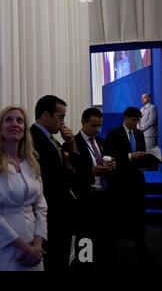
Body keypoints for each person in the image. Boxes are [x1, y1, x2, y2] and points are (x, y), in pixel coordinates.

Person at [0, 106, 47, 271]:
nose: (15, 124)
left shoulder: (31, 164)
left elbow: (41, 207)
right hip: (4, 245)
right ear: (0, 127)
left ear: (25, 128)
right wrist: (26, 248)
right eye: (8, 120)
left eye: (20, 121)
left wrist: (37, 245)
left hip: (34, 243)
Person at [30, 95, 79, 271]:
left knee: (61, 258)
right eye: (60, 117)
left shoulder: (52, 139)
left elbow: (74, 167)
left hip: (60, 212)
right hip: (50, 212)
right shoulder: (32, 139)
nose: (63, 122)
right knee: (54, 261)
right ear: (45, 114)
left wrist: (71, 144)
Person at [105, 107, 157, 260]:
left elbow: (140, 156)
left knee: (140, 215)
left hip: (137, 180)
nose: (136, 123)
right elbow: (109, 156)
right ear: (126, 118)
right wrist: (129, 156)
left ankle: (141, 246)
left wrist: (150, 159)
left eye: (138, 120)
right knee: (117, 216)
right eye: (134, 120)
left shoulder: (139, 134)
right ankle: (114, 249)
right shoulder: (114, 134)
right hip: (120, 181)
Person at [72, 108, 117, 270]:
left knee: (106, 239)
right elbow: (69, 176)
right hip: (86, 200)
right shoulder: (72, 144)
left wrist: (113, 164)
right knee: (86, 240)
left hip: (106, 198)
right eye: (93, 126)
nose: (97, 130)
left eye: (100, 126)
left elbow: (109, 160)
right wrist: (90, 173)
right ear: (83, 123)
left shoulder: (101, 141)